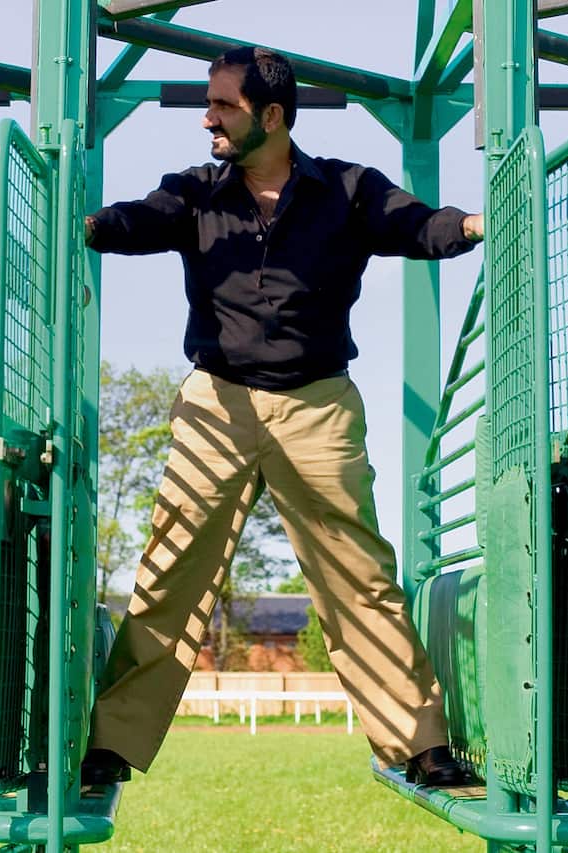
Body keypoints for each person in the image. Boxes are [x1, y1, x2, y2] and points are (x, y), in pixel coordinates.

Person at [79, 46, 484, 788]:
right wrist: (88, 225)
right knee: (169, 574)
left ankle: (421, 744)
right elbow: (139, 220)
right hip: (217, 404)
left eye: (223, 105)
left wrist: (476, 224)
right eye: (209, 103)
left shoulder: (348, 189)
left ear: (272, 115)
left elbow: (418, 226)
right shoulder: (196, 193)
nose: (208, 118)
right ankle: (110, 745)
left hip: (317, 407)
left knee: (360, 578)